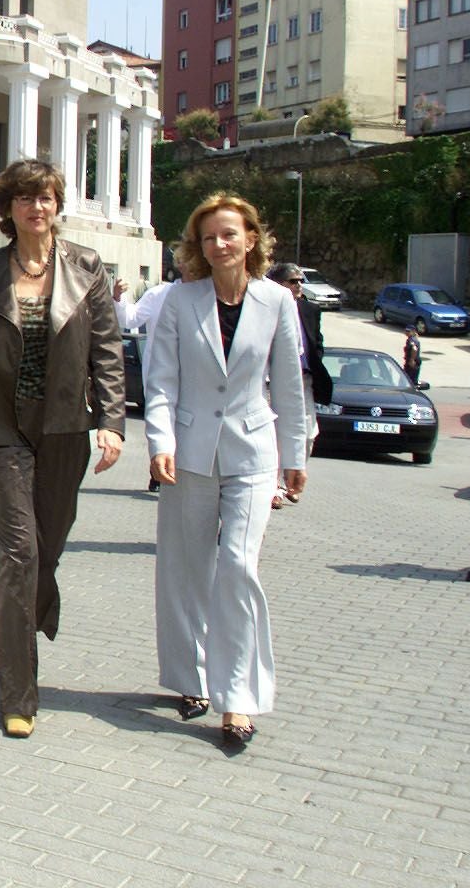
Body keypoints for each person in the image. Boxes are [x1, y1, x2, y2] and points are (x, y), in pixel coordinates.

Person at [0, 159, 124, 739]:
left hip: (66, 426)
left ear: (56, 204)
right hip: (1, 429)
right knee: (18, 556)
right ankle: (18, 692)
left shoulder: (86, 267)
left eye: (44, 197)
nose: (35, 208)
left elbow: (108, 350)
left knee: (47, 548)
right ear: (8, 209)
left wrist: (112, 419)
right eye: (23, 198)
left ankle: (23, 621)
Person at [145, 193, 307, 748]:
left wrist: (296, 456)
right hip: (189, 453)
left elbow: (289, 383)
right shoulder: (180, 300)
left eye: (229, 234)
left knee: (237, 568)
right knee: (186, 570)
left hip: (252, 452)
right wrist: (159, 441)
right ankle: (189, 679)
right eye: (209, 236)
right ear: (198, 245)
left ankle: (237, 698)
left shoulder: (278, 302)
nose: (219, 244)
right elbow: (161, 379)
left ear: (251, 239)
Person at [266, 261, 334, 508]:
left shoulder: (309, 310)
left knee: (306, 435)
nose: (299, 286)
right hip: (272, 381)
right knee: (274, 435)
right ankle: (275, 488)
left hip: (303, 379)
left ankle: (291, 478)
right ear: (278, 284)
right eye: (293, 281)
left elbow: (317, 343)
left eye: (301, 281)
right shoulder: (267, 308)